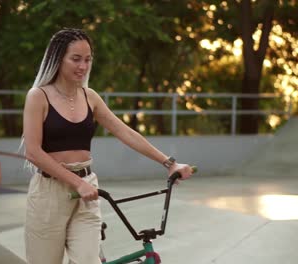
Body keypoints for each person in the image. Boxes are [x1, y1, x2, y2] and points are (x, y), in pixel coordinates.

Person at [22, 28, 194, 264]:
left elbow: (125, 132)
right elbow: (33, 152)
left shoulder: (89, 96)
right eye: (75, 59)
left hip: (88, 192)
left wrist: (169, 163)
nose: (83, 66)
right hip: (49, 194)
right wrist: (76, 183)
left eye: (87, 59)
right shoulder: (38, 96)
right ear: (57, 58)